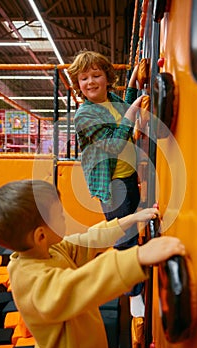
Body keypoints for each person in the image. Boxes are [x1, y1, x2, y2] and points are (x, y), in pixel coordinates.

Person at [0, 179, 186, 348]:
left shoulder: (50, 250)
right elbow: (78, 286)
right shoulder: (32, 282)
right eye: (59, 214)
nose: (64, 217)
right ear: (41, 235)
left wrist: (133, 219)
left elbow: (89, 240)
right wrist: (138, 257)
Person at [68, 51, 147, 316]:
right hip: (111, 183)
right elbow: (114, 144)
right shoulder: (84, 116)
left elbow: (126, 104)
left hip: (127, 175)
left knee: (135, 229)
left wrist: (134, 80)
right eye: (84, 78)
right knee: (124, 237)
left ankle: (137, 278)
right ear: (78, 84)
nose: (90, 82)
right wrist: (133, 113)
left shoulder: (111, 99)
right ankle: (134, 297)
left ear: (107, 78)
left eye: (96, 75)